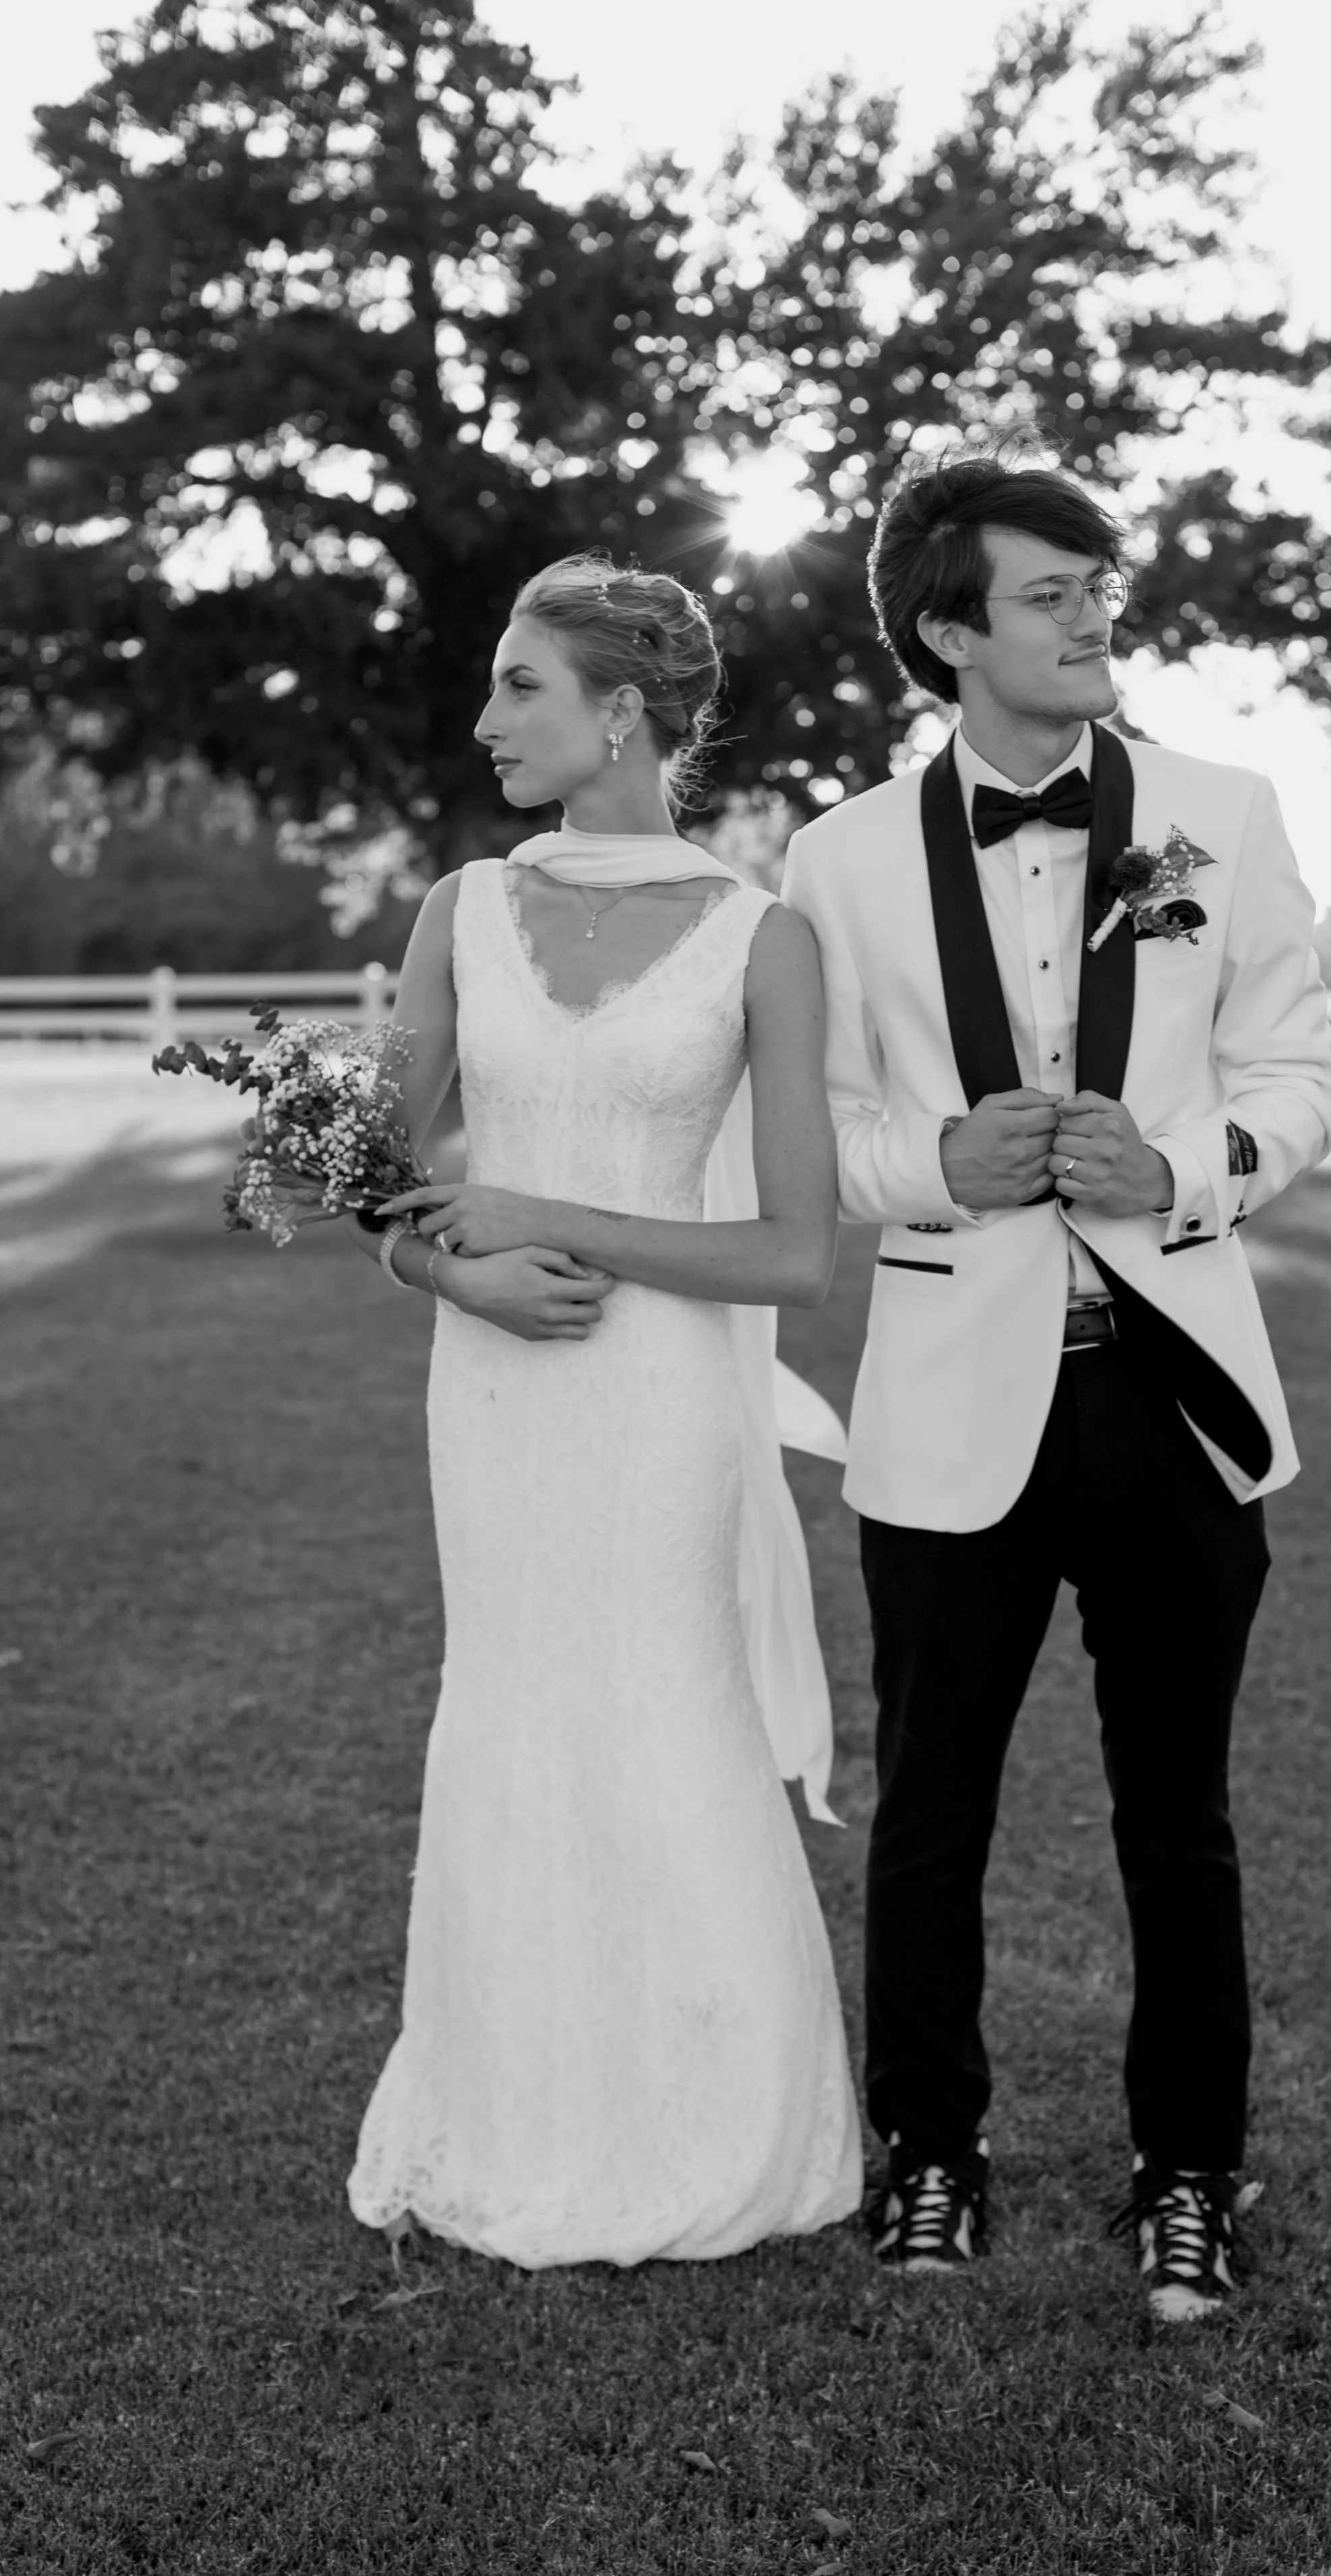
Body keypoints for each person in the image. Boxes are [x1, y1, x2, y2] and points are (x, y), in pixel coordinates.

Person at [779, 451, 1331, 2321]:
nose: (1095, 610)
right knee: (930, 1807)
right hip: (948, 1396)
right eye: (1047, 591)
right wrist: (936, 1160)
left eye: (1099, 581)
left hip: (1170, 1389)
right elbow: (832, 1128)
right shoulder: (837, 856)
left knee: (1174, 1814)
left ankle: (1189, 2171)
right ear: (947, 633)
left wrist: (1180, 1171)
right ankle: (924, 2154)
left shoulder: (1218, 813)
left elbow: (1296, 1078)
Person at [347, 555, 861, 2267]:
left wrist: (548, 1219)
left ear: (617, 711)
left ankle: (720, 2121)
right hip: (491, 1382)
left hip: (658, 1401)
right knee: (506, 1710)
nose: (485, 718)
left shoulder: (759, 938)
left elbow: (794, 1250)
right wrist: (447, 1272)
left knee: (663, 1711)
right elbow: (361, 1165)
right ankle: (512, 2107)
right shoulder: (457, 911)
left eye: (518, 686)